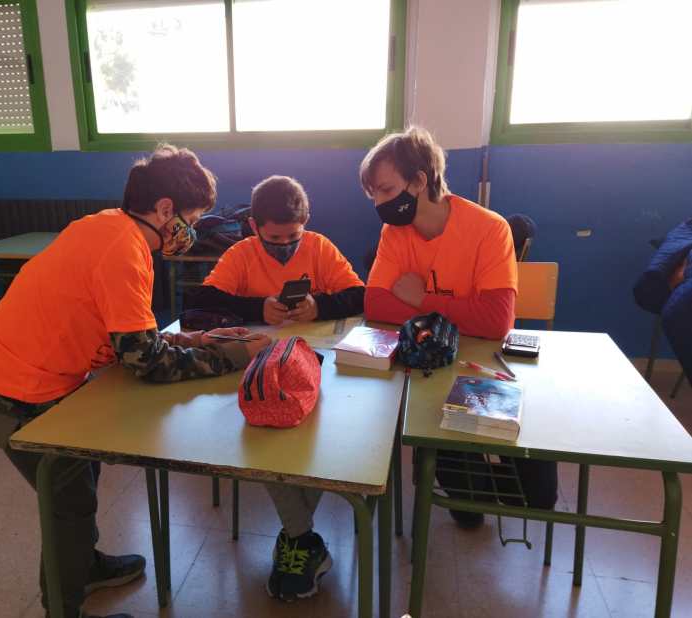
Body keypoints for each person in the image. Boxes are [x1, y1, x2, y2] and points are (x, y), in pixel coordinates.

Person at [0, 144, 270, 618]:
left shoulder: (105, 226)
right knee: (67, 503)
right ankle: (64, 607)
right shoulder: (124, 252)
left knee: (81, 478)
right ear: (165, 208)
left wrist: (199, 340)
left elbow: (131, 336)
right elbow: (147, 362)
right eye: (191, 220)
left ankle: (84, 565)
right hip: (15, 393)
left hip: (19, 375)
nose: (191, 232)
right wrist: (233, 356)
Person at [361, 127, 558, 527]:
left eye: (386, 190)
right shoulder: (394, 232)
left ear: (419, 181)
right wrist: (463, 312)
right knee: (468, 508)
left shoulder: (489, 228)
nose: (379, 203)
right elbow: (375, 304)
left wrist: (422, 300)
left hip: (489, 368)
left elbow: (496, 321)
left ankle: (478, 485)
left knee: (539, 498)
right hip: (431, 367)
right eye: (373, 194)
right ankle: (466, 491)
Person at [192, 175, 364, 601]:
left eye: (293, 237)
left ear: (306, 222)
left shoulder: (319, 247)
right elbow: (199, 302)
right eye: (274, 238)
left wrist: (319, 305)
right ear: (254, 226)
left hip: (315, 366)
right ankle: (302, 538)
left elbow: (361, 295)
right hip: (260, 370)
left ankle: (297, 537)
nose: (285, 245)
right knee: (268, 429)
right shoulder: (241, 253)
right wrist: (257, 307)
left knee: (320, 433)